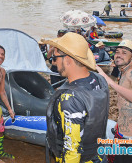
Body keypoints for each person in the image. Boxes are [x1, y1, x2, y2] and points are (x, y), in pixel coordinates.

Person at [44, 32, 109, 163]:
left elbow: (72, 149)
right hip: (99, 154)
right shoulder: (99, 80)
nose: (54, 63)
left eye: (55, 58)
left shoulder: (70, 98)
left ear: (67, 60)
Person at [96, 40, 132, 163]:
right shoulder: (124, 71)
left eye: (124, 53)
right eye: (117, 52)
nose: (119, 55)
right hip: (122, 131)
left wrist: (109, 81)